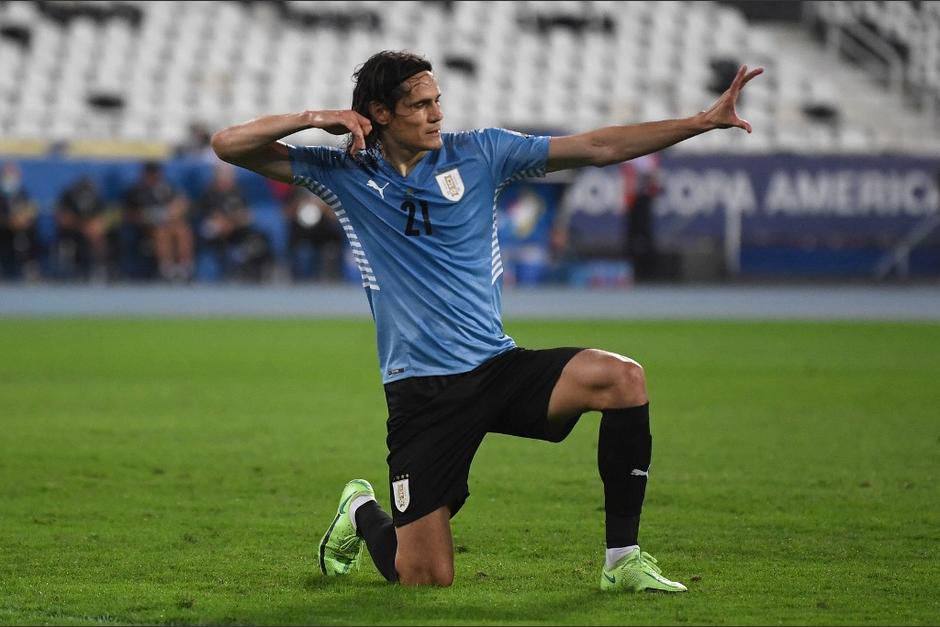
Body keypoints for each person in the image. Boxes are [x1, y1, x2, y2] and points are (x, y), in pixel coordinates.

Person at [211, 50, 762, 591]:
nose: (437, 114)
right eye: (421, 105)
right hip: (421, 394)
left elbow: (597, 146)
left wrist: (701, 122)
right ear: (381, 113)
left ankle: (623, 560)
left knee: (623, 378)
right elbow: (228, 145)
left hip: (496, 367)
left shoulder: (482, 154)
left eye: (438, 101)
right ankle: (360, 511)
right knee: (424, 578)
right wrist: (314, 118)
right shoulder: (343, 172)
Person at [122, 161, 194, 282]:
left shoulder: (166, 187)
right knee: (161, 232)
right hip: (145, 228)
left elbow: (182, 203)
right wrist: (145, 216)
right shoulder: (135, 191)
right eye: (151, 174)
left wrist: (176, 209)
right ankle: (166, 269)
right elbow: (127, 214)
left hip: (169, 223)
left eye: (156, 174)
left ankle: (184, 268)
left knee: (182, 229)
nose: (154, 177)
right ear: (145, 174)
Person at [54, 175, 119, 282]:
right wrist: (83, 226)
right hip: (72, 232)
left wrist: (98, 225)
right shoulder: (68, 198)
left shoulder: (97, 199)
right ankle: (72, 271)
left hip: (91, 232)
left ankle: (99, 268)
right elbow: (63, 219)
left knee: (99, 235)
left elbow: (103, 217)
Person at [0, 161, 41, 281]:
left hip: (19, 228)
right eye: (8, 174)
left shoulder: (22, 193)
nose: (11, 178)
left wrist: (24, 219)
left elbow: (29, 210)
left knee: (31, 232)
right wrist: (9, 221)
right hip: (3, 227)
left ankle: (29, 267)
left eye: (13, 174)